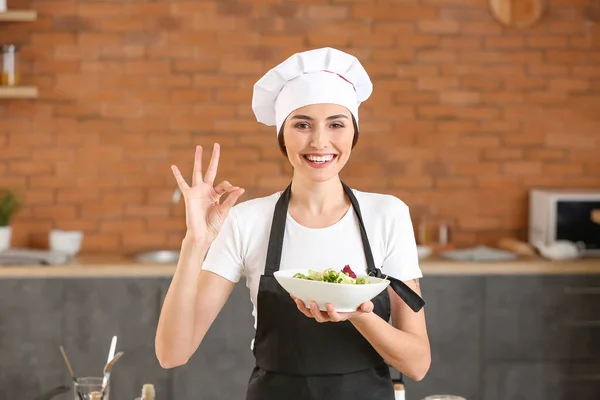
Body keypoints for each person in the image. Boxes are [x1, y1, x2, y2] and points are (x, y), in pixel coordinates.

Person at [155, 47, 431, 400]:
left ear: (353, 134)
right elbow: (171, 354)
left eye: (336, 124)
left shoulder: (387, 214)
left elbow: (418, 364)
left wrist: (359, 315)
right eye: (302, 124)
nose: (319, 142)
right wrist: (194, 242)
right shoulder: (247, 220)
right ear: (282, 136)